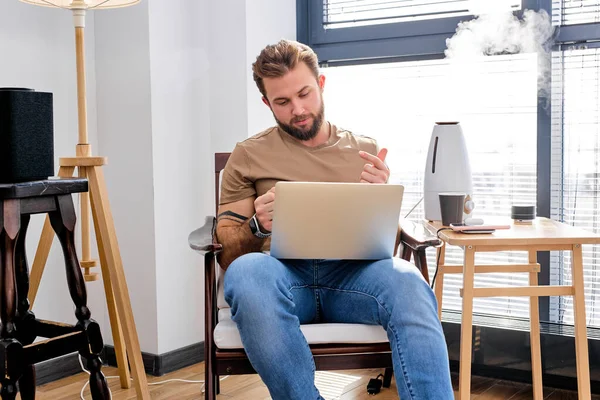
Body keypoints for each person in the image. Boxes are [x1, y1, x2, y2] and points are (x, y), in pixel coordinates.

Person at [216, 39, 453, 400]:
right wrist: (257, 226)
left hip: (352, 280)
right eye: (282, 101)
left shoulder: (364, 150)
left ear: (321, 85)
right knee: (247, 273)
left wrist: (378, 199)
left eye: (304, 94)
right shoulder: (248, 155)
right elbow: (227, 252)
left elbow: (385, 247)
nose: (297, 109)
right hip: (282, 279)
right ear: (267, 103)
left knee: (408, 279)